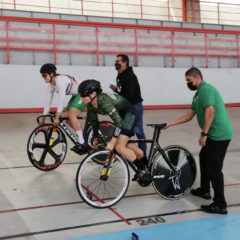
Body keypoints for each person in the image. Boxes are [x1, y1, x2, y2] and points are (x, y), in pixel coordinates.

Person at [165, 67, 233, 215]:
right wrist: (170, 123)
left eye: (189, 80)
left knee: (214, 169)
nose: (188, 83)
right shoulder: (198, 94)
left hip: (219, 135)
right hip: (213, 134)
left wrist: (204, 133)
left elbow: (210, 111)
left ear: (197, 78)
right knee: (204, 158)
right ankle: (204, 190)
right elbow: (189, 114)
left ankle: (220, 204)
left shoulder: (206, 90)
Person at [78, 79, 150, 182]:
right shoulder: (90, 104)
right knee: (128, 145)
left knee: (119, 146)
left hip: (129, 115)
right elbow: (94, 121)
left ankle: (142, 170)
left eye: (83, 95)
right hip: (122, 117)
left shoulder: (103, 101)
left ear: (93, 93)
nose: (81, 97)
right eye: (80, 94)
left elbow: (119, 123)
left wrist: (112, 141)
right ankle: (146, 163)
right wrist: (95, 136)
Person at [39, 63, 88, 155]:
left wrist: (57, 116)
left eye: (44, 75)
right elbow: (47, 103)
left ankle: (82, 142)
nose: (43, 77)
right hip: (76, 94)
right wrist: (43, 118)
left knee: (71, 115)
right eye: (42, 75)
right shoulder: (51, 85)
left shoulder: (60, 81)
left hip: (84, 92)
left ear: (51, 74)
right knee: (68, 119)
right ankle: (81, 135)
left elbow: (62, 98)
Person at [109, 54, 147, 156]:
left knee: (138, 131)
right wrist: (116, 90)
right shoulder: (120, 74)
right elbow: (124, 91)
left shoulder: (129, 75)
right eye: (115, 61)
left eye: (118, 61)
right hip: (127, 106)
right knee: (126, 130)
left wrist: (119, 102)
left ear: (125, 63)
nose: (116, 63)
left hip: (134, 106)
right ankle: (126, 151)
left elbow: (130, 95)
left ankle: (143, 154)